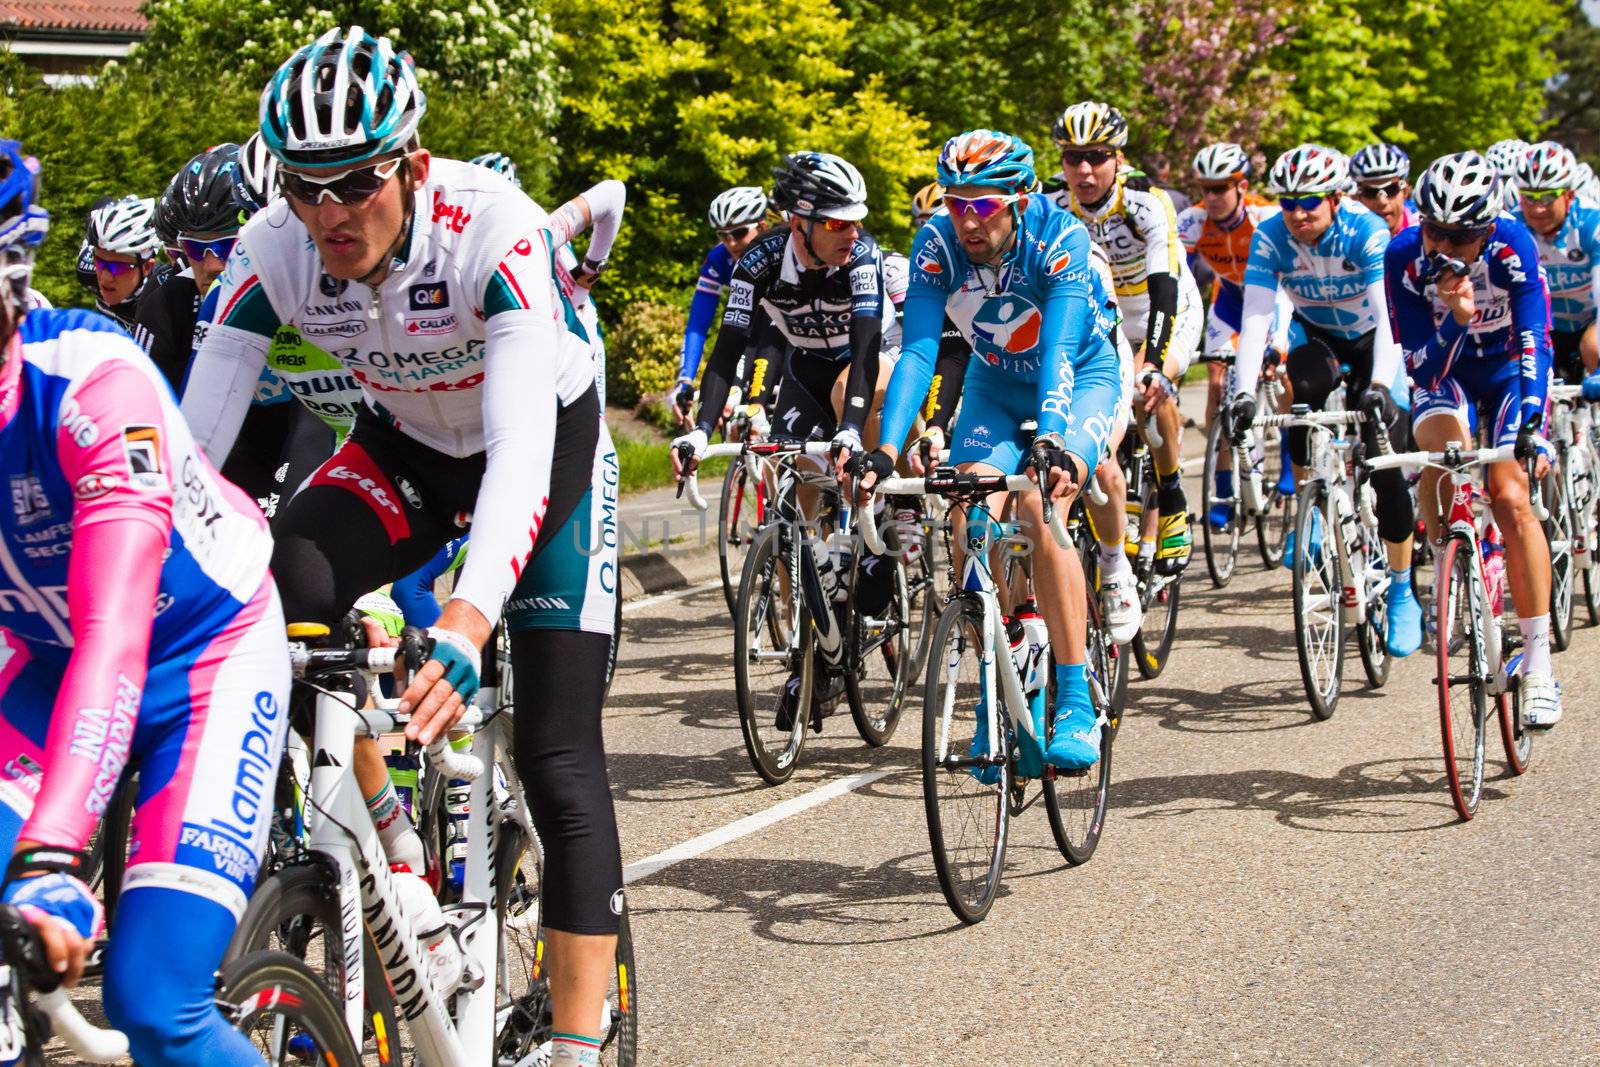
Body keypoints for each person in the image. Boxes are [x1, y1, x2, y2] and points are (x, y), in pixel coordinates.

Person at [184, 27, 625, 1063]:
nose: (330, 215)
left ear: (413, 166)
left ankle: (572, 1042)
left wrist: (468, 618)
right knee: (281, 582)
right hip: (408, 448)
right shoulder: (272, 249)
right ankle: (382, 844)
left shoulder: (495, 229)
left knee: (561, 757)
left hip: (546, 449)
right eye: (304, 187)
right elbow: (193, 455)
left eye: (356, 184)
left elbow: (520, 449)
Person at [0, 138, 289, 1067]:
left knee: (154, 1003)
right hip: (45, 668)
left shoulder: (91, 381)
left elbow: (115, 630)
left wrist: (51, 853)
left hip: (200, 656)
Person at [855, 129, 1124, 770]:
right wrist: (886, 451)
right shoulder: (937, 245)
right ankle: (1003, 685)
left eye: (983, 204)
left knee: (1042, 506)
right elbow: (920, 353)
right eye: (955, 203)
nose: (967, 219)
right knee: (970, 510)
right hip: (994, 384)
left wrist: (1054, 439)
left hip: (1080, 378)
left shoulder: (1062, 238)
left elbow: (1057, 350)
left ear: (1021, 199)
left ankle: (1075, 694)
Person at [1386, 150, 1561, 727]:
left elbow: (1535, 335)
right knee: (1438, 453)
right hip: (1451, 374)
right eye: (1432, 228)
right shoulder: (1406, 257)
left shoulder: (1512, 245)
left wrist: (1532, 423)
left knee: (1510, 494)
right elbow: (1422, 372)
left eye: (1458, 236)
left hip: (1510, 369)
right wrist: (1457, 319)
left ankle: (1537, 664)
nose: (1441, 245)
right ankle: (1452, 558)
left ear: (1485, 229)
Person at [1228, 143, 1423, 657]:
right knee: (1302, 390)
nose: (1297, 213)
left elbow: (1389, 319)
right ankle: (1313, 506)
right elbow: (1254, 319)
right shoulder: (1270, 236)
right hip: (1320, 338)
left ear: (1336, 198)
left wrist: (1381, 385)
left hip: (1375, 341)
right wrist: (1244, 394)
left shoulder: (1366, 231)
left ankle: (1402, 588)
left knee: (1384, 462)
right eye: (1288, 202)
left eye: (1310, 201)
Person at [1049, 101, 1204, 577]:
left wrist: (1154, 363)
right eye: (1073, 157)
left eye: (1096, 155)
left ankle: (1174, 494)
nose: (1084, 168)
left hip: (1163, 308)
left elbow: (1164, 288)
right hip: (1103, 316)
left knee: (1146, 389)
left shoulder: (1144, 202)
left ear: (1118, 158)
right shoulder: (1053, 205)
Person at [1175, 142, 1294, 528]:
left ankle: (1291, 458)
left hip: (1272, 300)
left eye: (1221, 188)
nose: (1211, 197)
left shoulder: (1266, 216)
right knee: (1217, 384)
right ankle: (1223, 485)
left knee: (1281, 376)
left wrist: (1278, 342)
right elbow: (1176, 279)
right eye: (1205, 188)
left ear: (1241, 187)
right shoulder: (1192, 221)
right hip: (1228, 302)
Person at [671, 185, 771, 426]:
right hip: (750, 338)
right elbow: (698, 322)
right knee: (735, 424)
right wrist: (684, 379)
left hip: (784, 337)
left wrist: (736, 385)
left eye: (738, 233)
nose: (730, 242)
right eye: (722, 235)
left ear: (762, 226)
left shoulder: (784, 251)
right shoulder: (719, 259)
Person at [1513, 141, 1600, 384]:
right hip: (1544, 327)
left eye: (1548, 197)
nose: (1538, 209)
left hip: (1590, 322)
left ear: (1569, 196)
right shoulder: (1514, 228)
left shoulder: (1591, 224)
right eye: (1529, 198)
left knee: (1593, 346)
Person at [83, 195, 163, 332]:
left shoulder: (162, 303)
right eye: (99, 263)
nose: (105, 277)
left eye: (118, 267)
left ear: (147, 267)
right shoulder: (85, 271)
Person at [1349, 143, 1416, 237]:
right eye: (1371, 192)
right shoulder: (1345, 236)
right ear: (1357, 197)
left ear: (1405, 191)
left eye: (1391, 190)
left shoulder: (1425, 231)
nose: (1382, 202)